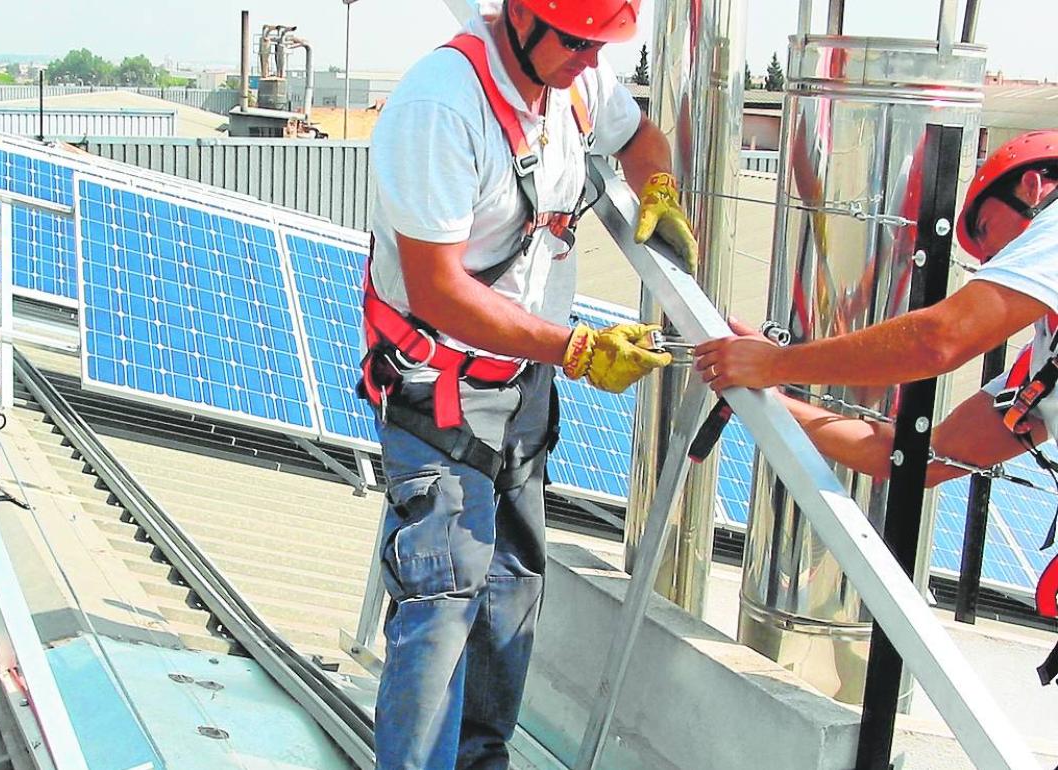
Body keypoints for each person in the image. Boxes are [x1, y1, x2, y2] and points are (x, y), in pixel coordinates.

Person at [360, 0, 697, 767]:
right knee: (443, 603)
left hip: (524, 388)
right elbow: (440, 290)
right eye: (579, 45)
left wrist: (660, 188)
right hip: (441, 386)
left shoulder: (578, 73)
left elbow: (641, 137)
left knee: (511, 588)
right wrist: (576, 349)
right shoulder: (442, 105)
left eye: (600, 47)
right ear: (520, 18)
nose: (592, 64)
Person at [692, 131, 1058, 490]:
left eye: (984, 228)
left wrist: (774, 364)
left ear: (1031, 187)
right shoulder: (1042, 369)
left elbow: (939, 340)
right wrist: (766, 396)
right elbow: (927, 460)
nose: (988, 259)